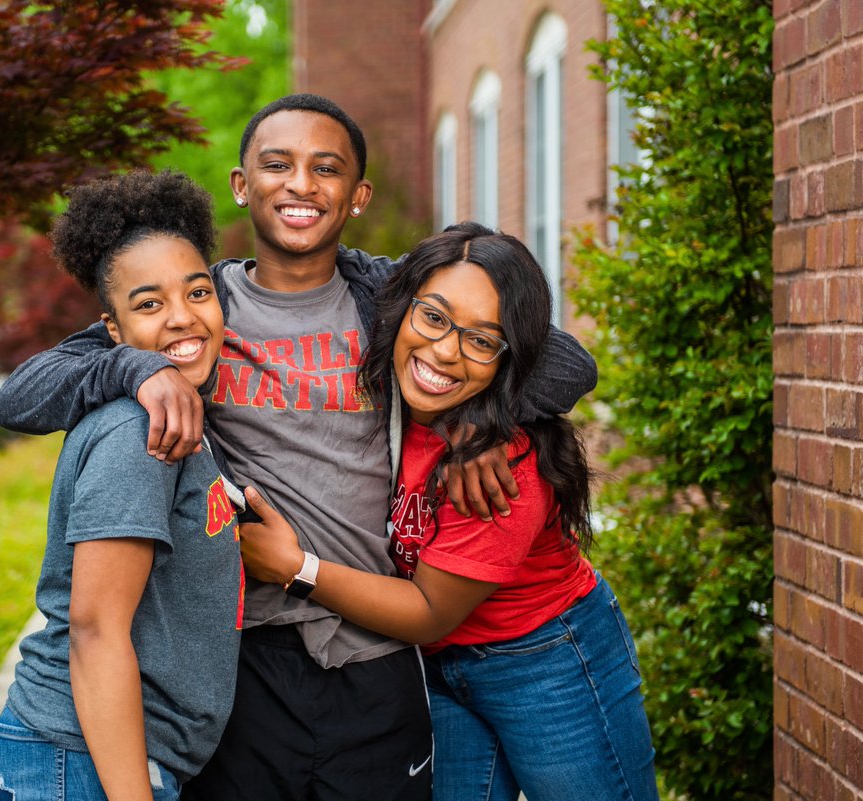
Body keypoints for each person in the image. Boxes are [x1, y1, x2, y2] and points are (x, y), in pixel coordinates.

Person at [0, 95, 598, 801]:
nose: (302, 185)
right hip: (245, 661)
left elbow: (563, 366)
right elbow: (22, 395)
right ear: (242, 186)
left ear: (358, 195)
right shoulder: (198, 308)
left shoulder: (391, 302)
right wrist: (142, 369)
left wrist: (482, 422)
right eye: (277, 164)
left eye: (327, 168)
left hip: (376, 655)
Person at [240, 223, 659, 801]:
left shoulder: (501, 469)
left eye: (482, 341)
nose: (444, 351)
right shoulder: (390, 391)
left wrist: (296, 568)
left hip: (545, 662)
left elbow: (430, 611)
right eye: (433, 318)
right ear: (401, 308)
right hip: (435, 670)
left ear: (509, 358)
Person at [0, 170, 245, 801]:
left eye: (198, 293)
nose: (183, 319)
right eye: (149, 304)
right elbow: (95, 629)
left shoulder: (179, 409)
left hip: (110, 758)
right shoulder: (139, 431)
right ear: (113, 330)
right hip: (79, 764)